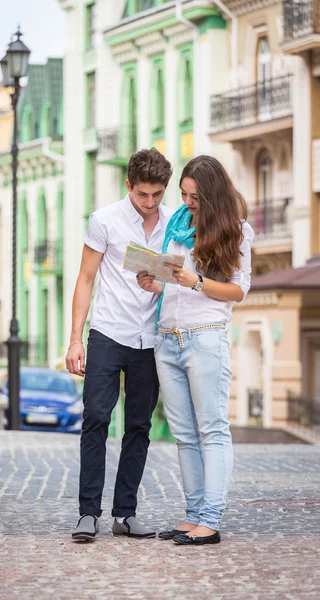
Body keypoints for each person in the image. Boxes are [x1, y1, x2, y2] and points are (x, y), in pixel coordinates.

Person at [137, 155, 254, 546]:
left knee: (212, 430)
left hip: (205, 337)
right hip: (167, 338)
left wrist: (197, 281)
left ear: (212, 194)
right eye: (184, 194)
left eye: (195, 197)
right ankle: (193, 515)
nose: (188, 203)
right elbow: (174, 283)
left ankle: (211, 518)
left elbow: (238, 290)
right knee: (184, 434)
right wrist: (156, 283)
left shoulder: (236, 230)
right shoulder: (177, 226)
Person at [66, 148, 173, 542]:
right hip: (108, 333)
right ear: (129, 185)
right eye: (143, 194)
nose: (150, 203)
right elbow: (85, 279)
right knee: (95, 416)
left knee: (140, 426)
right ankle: (87, 514)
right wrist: (75, 339)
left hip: (150, 338)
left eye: (157, 194)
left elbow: (177, 277)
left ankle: (124, 514)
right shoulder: (104, 220)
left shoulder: (173, 223)